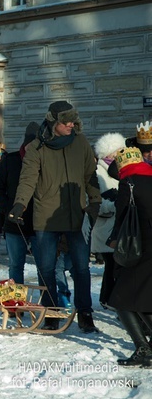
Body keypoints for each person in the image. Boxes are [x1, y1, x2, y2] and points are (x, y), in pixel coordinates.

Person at [9, 101, 101, 333]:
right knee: (46, 268)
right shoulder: (37, 148)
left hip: (76, 217)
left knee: (81, 268)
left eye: (73, 121)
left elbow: (90, 174)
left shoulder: (80, 142)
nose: (71, 124)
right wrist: (20, 204)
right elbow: (27, 179)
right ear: (53, 122)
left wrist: (96, 201)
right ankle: (50, 312)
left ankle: (85, 313)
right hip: (46, 218)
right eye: (66, 121)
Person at [107, 147, 152, 366]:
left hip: (140, 248)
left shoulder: (129, 183)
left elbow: (122, 217)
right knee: (143, 298)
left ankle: (143, 349)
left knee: (121, 299)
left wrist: (113, 240)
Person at [0, 122, 39, 284]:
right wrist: (7, 209)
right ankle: (15, 303)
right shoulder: (10, 161)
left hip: (40, 223)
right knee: (16, 265)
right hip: (14, 223)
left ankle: (46, 301)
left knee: (44, 266)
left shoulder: (45, 160)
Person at [85, 132, 126, 308]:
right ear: (109, 153)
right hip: (106, 229)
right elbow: (94, 203)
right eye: (118, 151)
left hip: (118, 226)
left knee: (114, 267)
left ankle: (108, 298)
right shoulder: (99, 172)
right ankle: (108, 299)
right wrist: (115, 203)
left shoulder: (121, 171)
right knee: (112, 267)